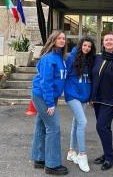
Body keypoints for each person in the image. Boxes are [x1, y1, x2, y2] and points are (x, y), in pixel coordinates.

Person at [31, 30, 68, 175]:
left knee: (41, 125)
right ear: (53, 40)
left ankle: (40, 158)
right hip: (43, 96)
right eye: (59, 38)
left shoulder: (61, 57)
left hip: (50, 96)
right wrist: (50, 104)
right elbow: (46, 83)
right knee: (53, 127)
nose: (62, 40)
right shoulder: (49, 58)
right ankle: (52, 165)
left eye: (64, 38)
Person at [91, 31, 113, 171]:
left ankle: (110, 158)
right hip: (97, 99)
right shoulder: (98, 58)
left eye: (111, 39)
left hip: (110, 100)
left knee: (101, 127)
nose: (108, 42)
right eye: (106, 40)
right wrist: (91, 96)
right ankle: (106, 153)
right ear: (103, 42)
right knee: (104, 128)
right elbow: (93, 77)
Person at [64, 37, 96, 172]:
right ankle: (82, 154)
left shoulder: (91, 60)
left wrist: (90, 97)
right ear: (80, 45)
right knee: (82, 122)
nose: (87, 48)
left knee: (76, 123)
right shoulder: (71, 57)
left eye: (89, 46)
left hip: (84, 96)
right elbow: (65, 75)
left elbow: (90, 80)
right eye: (85, 45)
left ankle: (71, 152)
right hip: (72, 94)